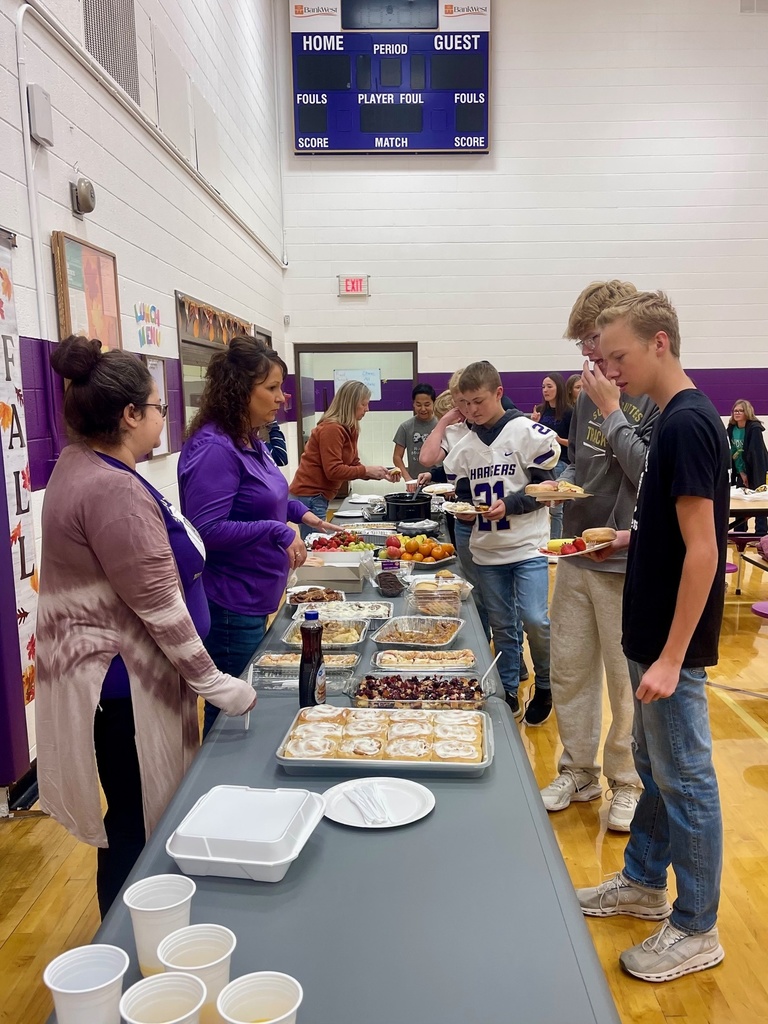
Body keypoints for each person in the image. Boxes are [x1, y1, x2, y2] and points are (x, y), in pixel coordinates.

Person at [35, 336, 256, 916]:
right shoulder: (111, 488)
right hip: (126, 687)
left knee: (133, 814)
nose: (163, 416)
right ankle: (132, 935)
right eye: (158, 406)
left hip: (121, 683)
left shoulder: (86, 465)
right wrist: (217, 684)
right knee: (136, 823)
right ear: (131, 415)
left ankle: (141, 920)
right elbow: (160, 606)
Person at [575, 290, 729, 983]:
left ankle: (697, 927)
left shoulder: (690, 422)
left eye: (619, 356)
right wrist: (633, 536)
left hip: (671, 643)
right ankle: (642, 881)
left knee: (686, 779)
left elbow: (706, 551)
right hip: (648, 631)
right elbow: (675, 530)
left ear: (659, 342)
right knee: (658, 769)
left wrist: (671, 657)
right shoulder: (667, 419)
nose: (611, 370)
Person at [537, 281, 659, 831]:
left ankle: (627, 781)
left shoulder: (649, 394)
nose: (588, 353)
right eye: (583, 344)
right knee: (569, 668)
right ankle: (578, 769)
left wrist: (614, 410)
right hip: (576, 550)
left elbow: (650, 474)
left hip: (624, 560)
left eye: (593, 339)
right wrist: (558, 482)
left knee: (623, 682)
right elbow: (585, 466)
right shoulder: (586, 390)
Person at [178, 336, 340, 737]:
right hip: (230, 601)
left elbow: (261, 497)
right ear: (239, 390)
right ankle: (218, 774)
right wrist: (276, 530)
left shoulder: (250, 437)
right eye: (271, 388)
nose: (282, 398)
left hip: (256, 593)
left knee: (245, 700)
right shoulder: (215, 448)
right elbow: (206, 530)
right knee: (231, 711)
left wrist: (299, 513)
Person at [444, 361, 560, 722]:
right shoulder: (464, 446)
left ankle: (546, 684)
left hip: (527, 545)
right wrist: (464, 512)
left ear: (498, 393)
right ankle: (509, 687)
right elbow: (465, 496)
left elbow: (545, 489)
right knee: (502, 625)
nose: (472, 410)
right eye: (465, 403)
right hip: (487, 550)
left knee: (535, 619)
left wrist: (510, 504)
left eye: (478, 401)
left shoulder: (526, 432)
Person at [289, 380, 397, 535]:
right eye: (363, 404)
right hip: (310, 495)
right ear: (350, 404)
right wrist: (366, 470)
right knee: (315, 543)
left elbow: (353, 463)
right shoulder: (332, 429)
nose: (367, 409)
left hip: (320, 496)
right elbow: (333, 470)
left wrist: (380, 473)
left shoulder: (351, 428)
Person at [531, 372, 573, 539]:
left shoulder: (569, 412)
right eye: (543, 387)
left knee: (555, 508)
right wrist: (533, 424)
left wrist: (558, 440)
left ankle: (555, 541)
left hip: (561, 461)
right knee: (540, 504)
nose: (545, 390)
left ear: (559, 388)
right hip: (543, 462)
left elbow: (574, 442)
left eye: (549, 386)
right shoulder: (542, 411)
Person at [727, 399, 768, 534]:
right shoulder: (731, 429)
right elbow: (732, 452)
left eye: (741, 410)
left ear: (747, 412)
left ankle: (761, 533)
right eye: (735, 411)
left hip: (756, 469)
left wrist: (750, 475)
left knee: (758, 500)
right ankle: (740, 532)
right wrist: (741, 472)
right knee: (740, 500)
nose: (737, 413)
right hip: (740, 470)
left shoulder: (754, 429)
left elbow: (755, 454)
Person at [392, 383, 439, 484]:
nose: (423, 409)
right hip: (415, 483)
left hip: (439, 483)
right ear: (413, 404)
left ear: (434, 403)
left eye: (427, 404)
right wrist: (408, 479)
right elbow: (397, 457)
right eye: (418, 405)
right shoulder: (405, 427)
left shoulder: (441, 424)